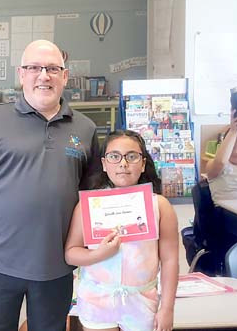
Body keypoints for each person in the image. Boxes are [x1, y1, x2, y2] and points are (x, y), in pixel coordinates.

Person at [0, 40, 98, 331]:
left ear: (65, 76)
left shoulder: (85, 129)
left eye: (52, 69)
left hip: (57, 269)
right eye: (34, 68)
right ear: (21, 74)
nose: (43, 75)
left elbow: (90, 199)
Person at [63, 130, 179, 331]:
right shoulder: (89, 205)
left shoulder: (159, 205)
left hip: (142, 302)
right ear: (104, 164)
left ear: (143, 163)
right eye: (114, 156)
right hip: (96, 301)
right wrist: (98, 254)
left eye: (132, 156)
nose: (123, 163)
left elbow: (170, 260)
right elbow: (71, 254)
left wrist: (167, 308)